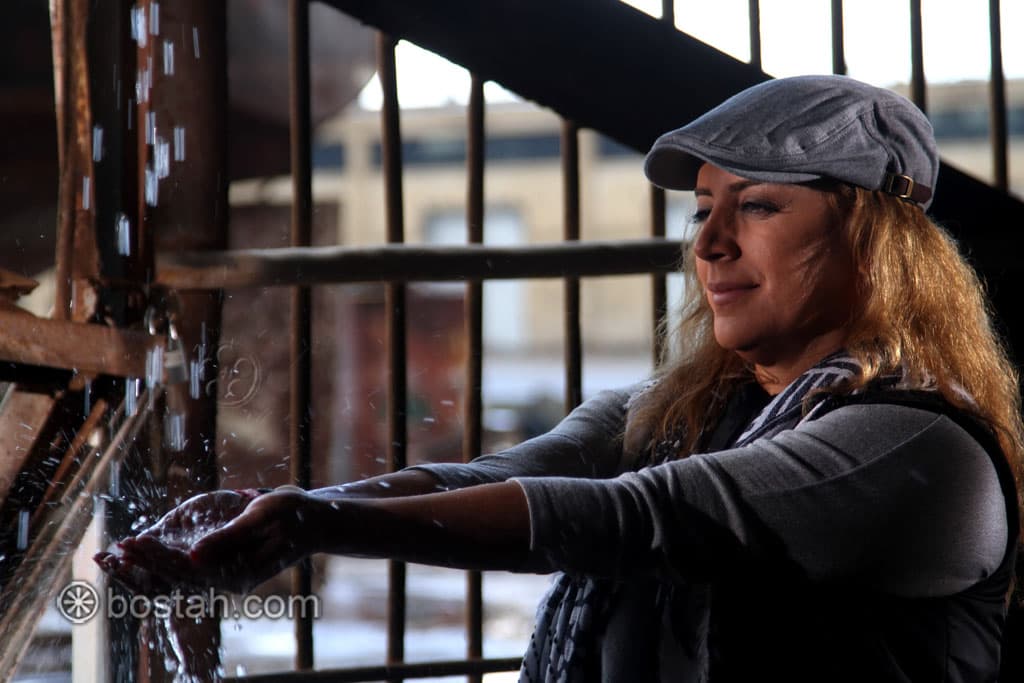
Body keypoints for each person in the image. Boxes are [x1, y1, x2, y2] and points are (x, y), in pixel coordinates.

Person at [96, 74, 1022, 682]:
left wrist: (313, 524)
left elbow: (636, 516)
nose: (708, 242)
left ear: (872, 244)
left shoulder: (917, 449)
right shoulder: (690, 411)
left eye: (759, 207)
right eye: (703, 209)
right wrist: (290, 506)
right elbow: (506, 475)